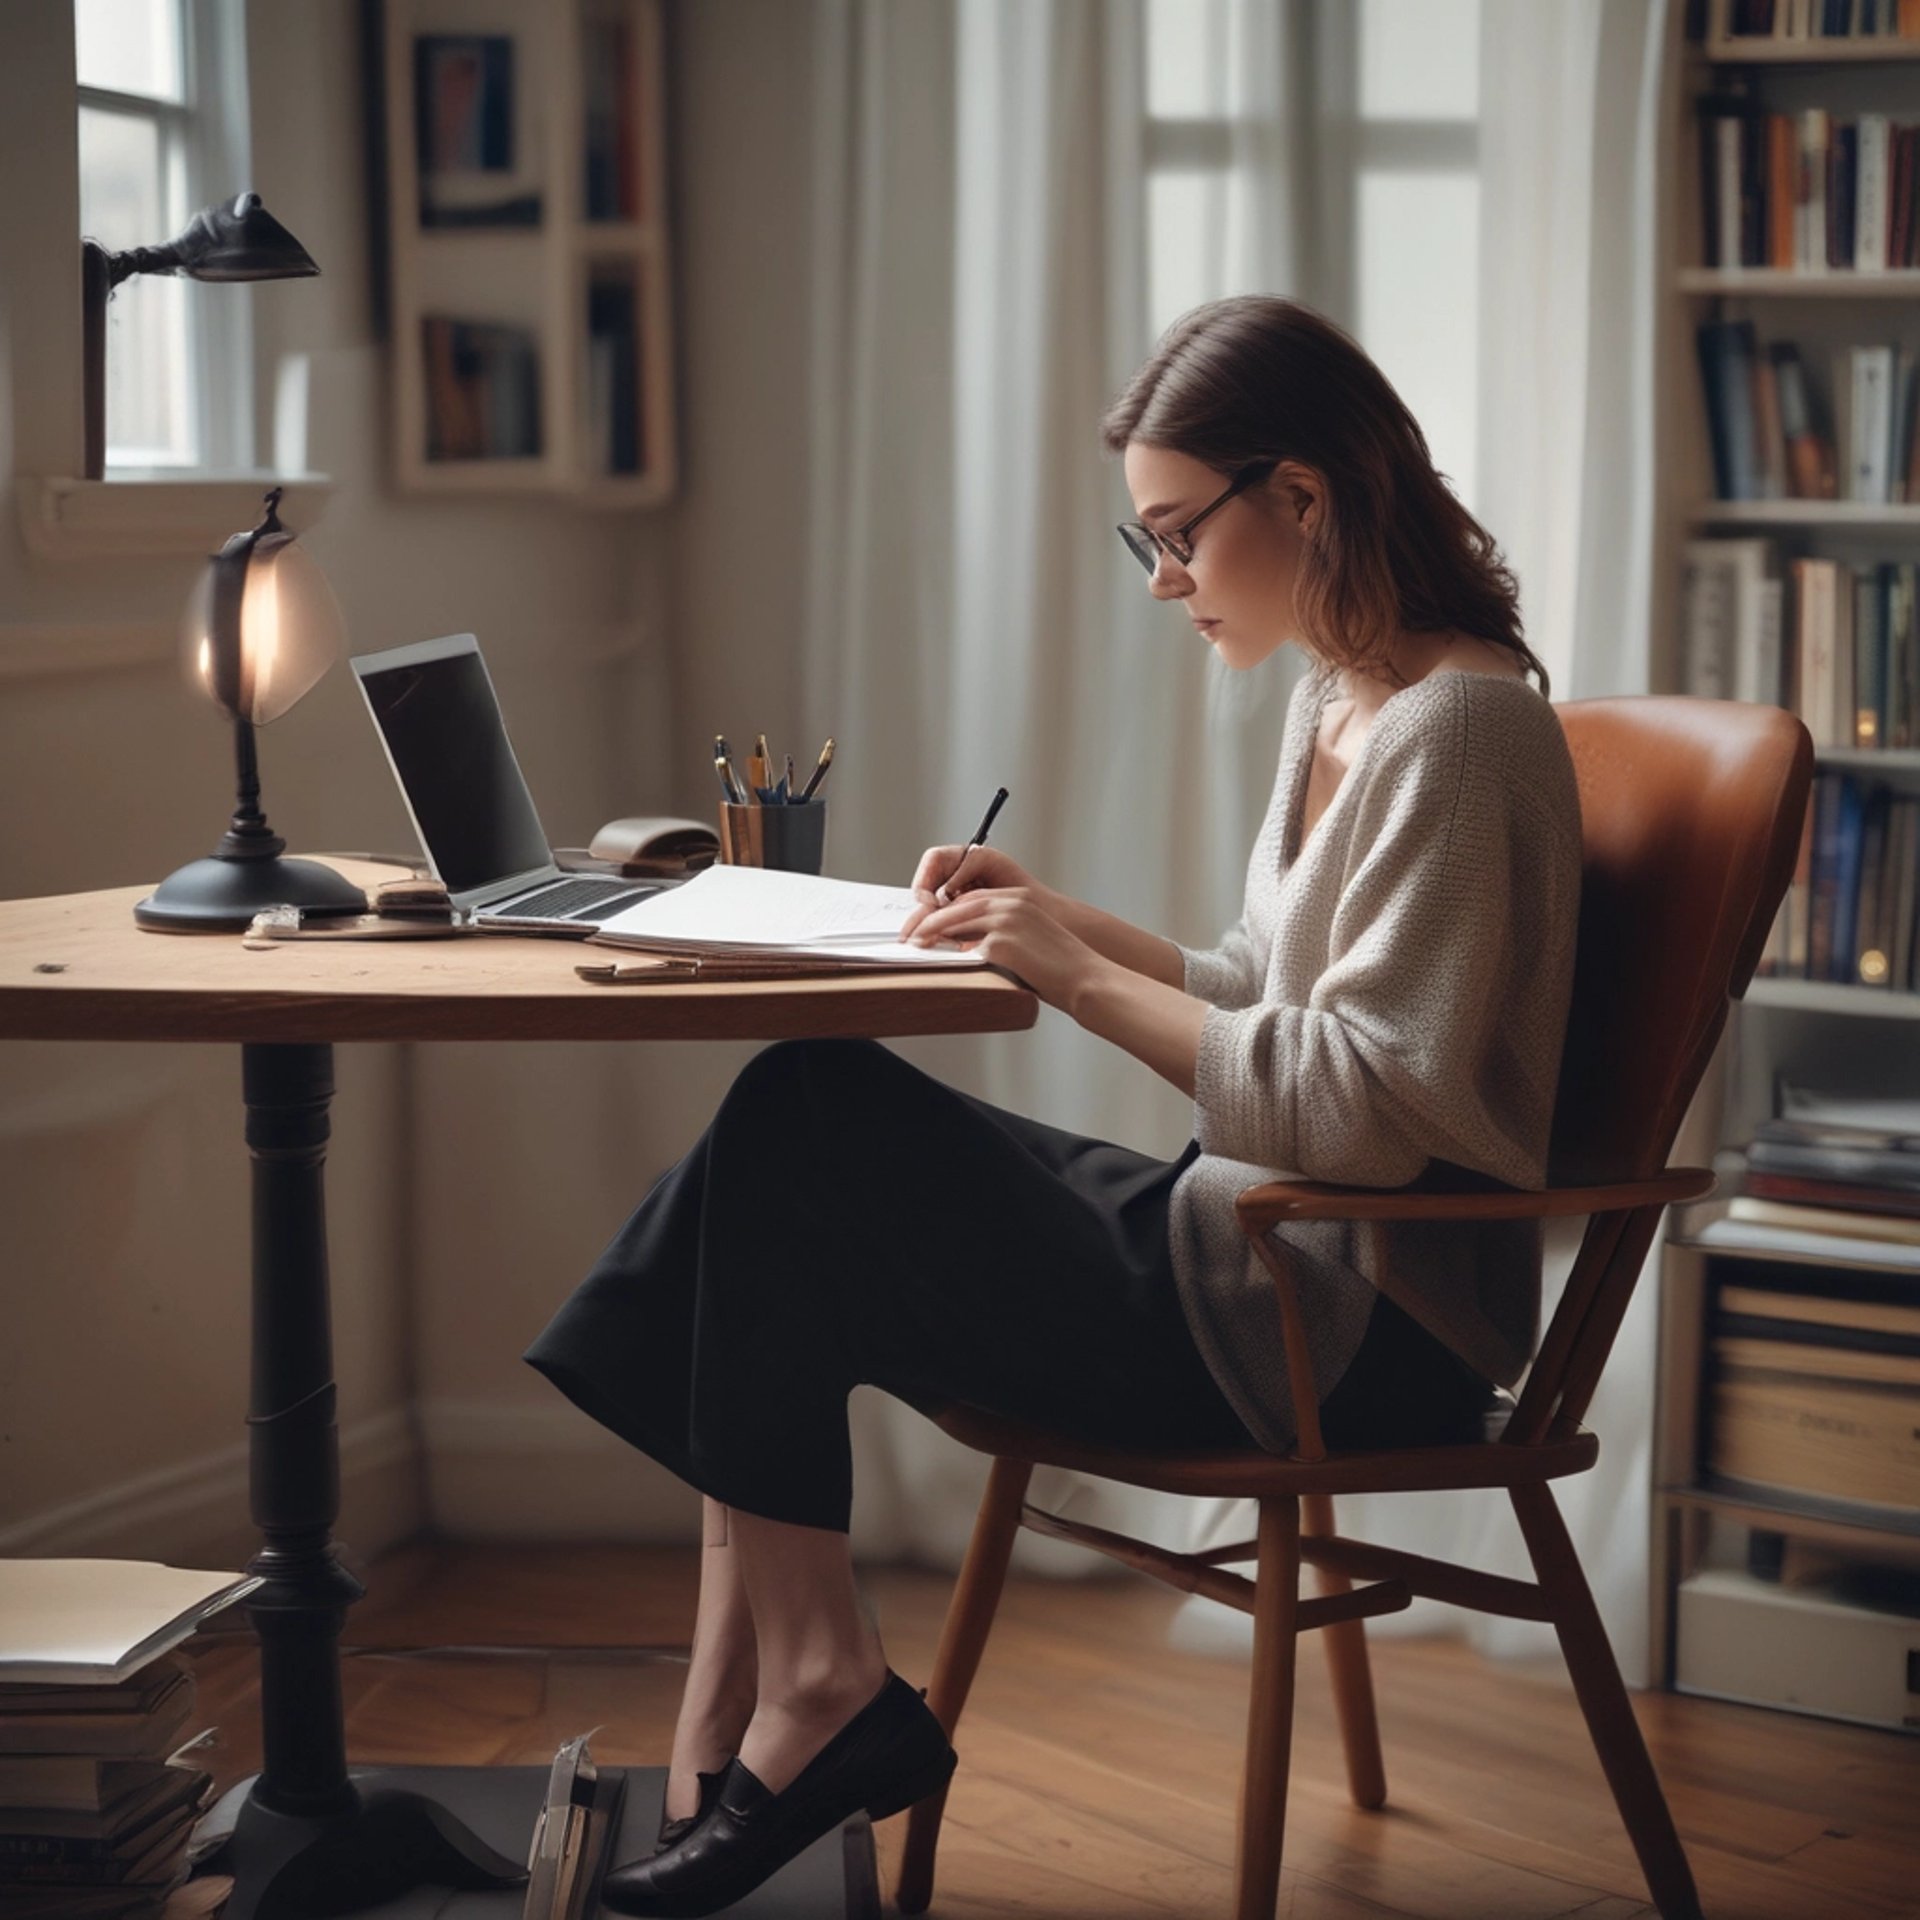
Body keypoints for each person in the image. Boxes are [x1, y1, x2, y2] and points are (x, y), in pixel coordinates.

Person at [523, 294, 1582, 1916]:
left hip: (1351, 1332)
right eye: (1140, 536)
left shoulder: (1461, 727)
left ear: (1300, 498)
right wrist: (1071, 920)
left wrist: (1071, 981)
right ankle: (778, 1701)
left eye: (1175, 534)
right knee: (791, 1125)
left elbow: (1368, 1110)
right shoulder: (1344, 695)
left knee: (800, 1132)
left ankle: (788, 1703)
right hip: (1259, 1250)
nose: (1162, 580)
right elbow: (1277, 994)